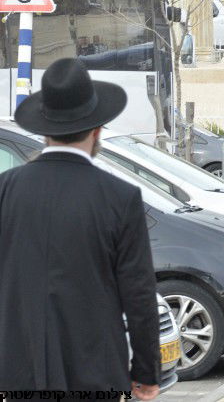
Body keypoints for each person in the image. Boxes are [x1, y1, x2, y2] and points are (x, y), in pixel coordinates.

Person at [0, 59, 160, 400]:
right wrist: (147, 372)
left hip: (21, 372)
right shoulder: (120, 198)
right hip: (96, 373)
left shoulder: (5, 189)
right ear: (97, 129)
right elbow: (139, 296)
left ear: (44, 129)